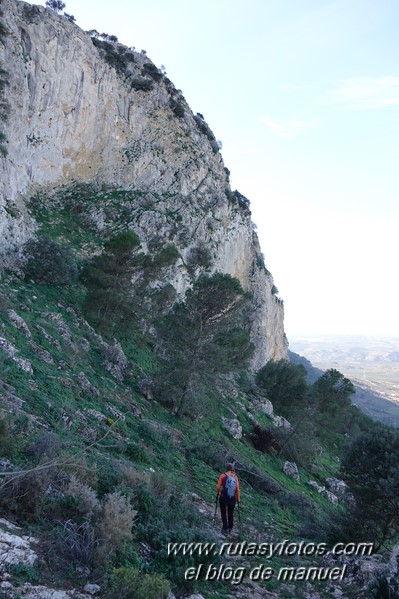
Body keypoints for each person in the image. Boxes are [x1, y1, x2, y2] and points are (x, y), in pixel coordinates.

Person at [216, 462, 240, 533]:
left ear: (226, 468)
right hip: (232, 498)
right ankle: (230, 527)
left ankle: (224, 528)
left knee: (223, 512)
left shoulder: (222, 475)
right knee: (230, 513)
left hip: (223, 497)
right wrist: (238, 499)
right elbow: (237, 489)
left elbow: (218, 487)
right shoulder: (235, 477)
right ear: (233, 469)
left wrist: (217, 493)